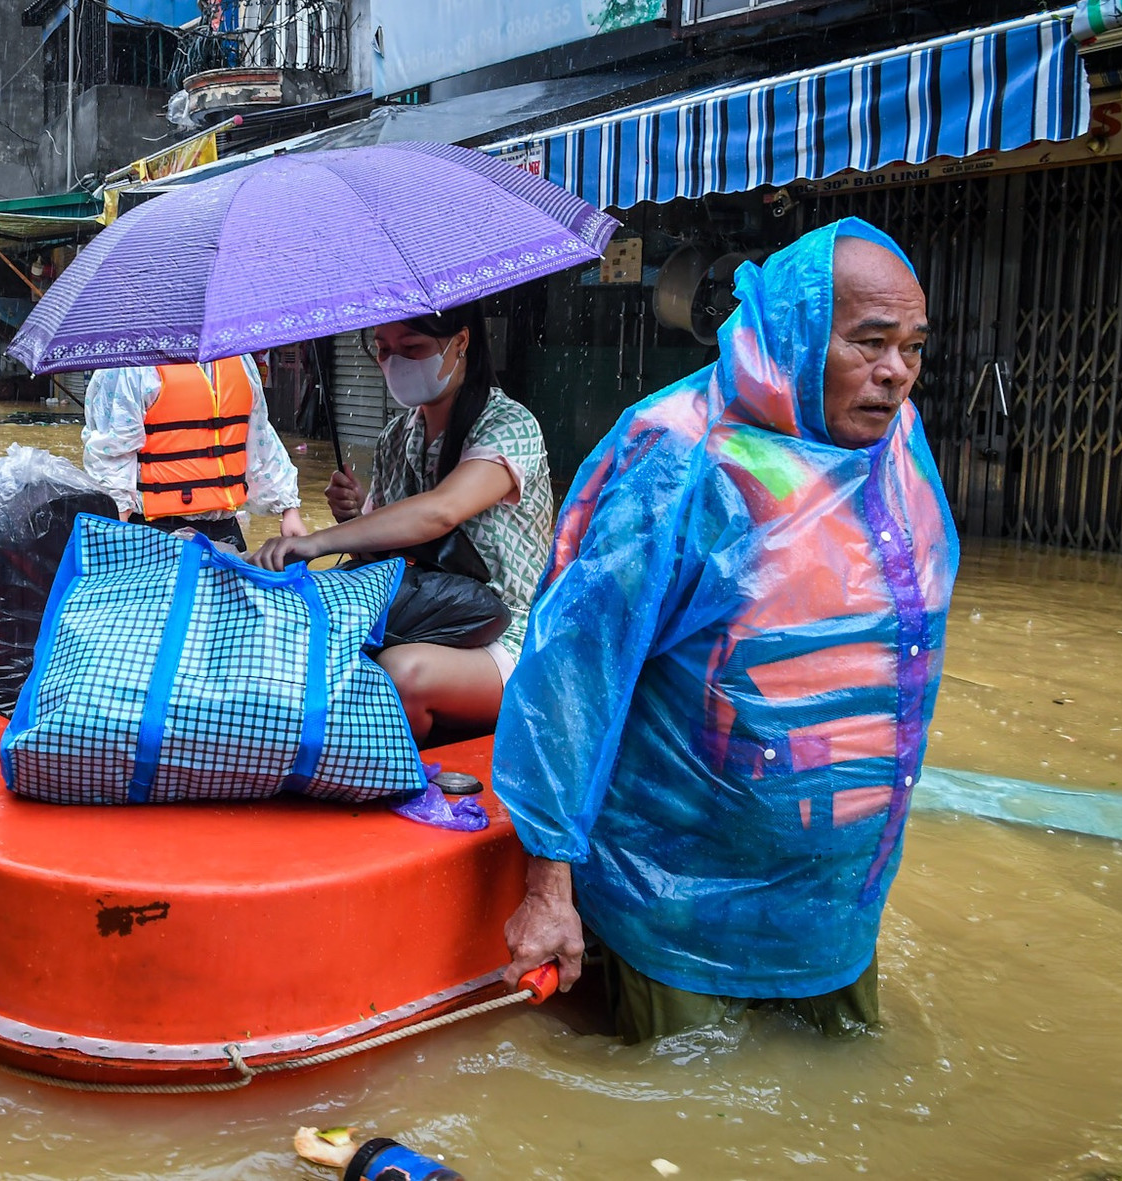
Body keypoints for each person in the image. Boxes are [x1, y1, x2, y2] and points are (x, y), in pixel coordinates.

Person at [494, 219, 957, 1044]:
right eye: (870, 342)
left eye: (913, 347)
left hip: (832, 911)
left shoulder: (897, 444)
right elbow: (573, 671)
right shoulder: (680, 454)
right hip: (677, 907)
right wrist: (547, 882)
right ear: (801, 331)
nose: (896, 372)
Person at [247, 304, 554, 746]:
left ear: (461, 343)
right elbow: (386, 563)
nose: (395, 362)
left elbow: (440, 512)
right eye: (384, 349)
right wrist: (355, 520)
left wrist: (318, 541)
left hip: (510, 632)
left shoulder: (508, 425)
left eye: (413, 347)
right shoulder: (395, 437)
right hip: (424, 616)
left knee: (399, 673)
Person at [82, 356, 306, 550]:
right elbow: (112, 450)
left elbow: (259, 436)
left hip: (225, 530)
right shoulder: (131, 365)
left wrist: (289, 509)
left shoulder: (238, 359)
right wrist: (115, 529)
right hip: (153, 531)